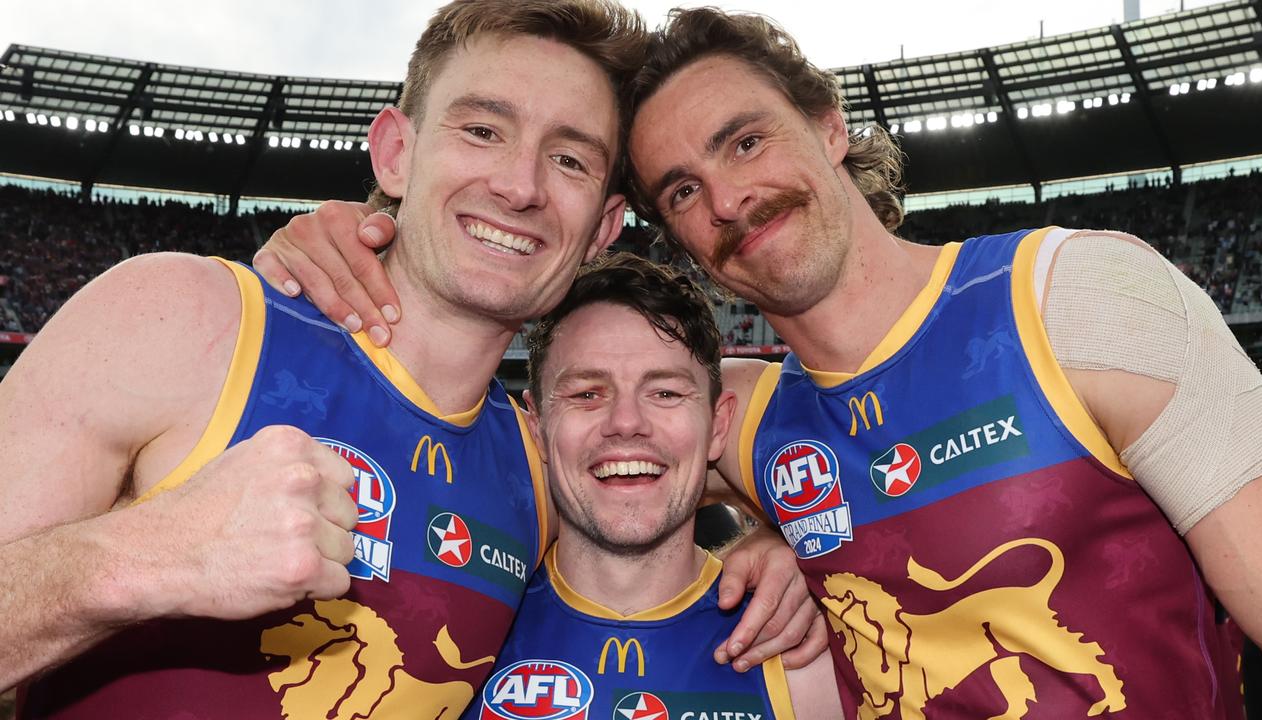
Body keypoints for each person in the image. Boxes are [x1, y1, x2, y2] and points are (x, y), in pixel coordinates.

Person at [261, 6, 1262, 719]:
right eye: (682, 191)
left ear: (830, 126)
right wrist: (340, 244)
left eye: (745, 142)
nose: (728, 200)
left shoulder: (1073, 300)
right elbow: (577, 460)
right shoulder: (743, 418)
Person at [0, 3, 817, 718]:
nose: (520, 185)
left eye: (569, 158)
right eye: (482, 129)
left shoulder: (539, 470)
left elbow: (775, 432)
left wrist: (798, 560)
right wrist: (142, 559)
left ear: (602, 228)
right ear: (394, 153)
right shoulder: (180, 321)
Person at [462, 252, 840, 720]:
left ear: (718, 426)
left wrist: (810, 551)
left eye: (664, 392)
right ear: (537, 427)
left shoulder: (806, 654)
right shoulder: (458, 628)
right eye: (586, 393)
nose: (626, 423)